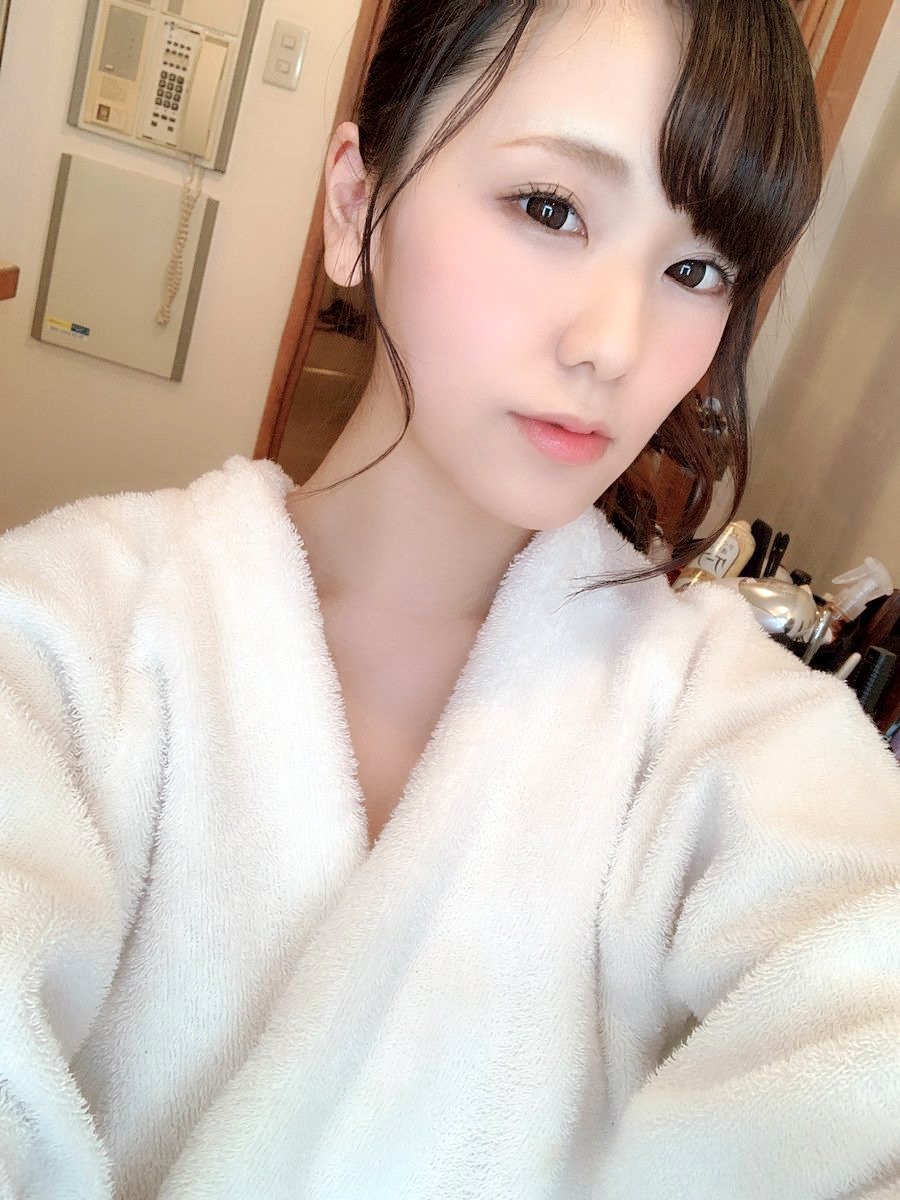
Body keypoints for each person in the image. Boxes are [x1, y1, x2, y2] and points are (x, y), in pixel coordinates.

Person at [1, 1, 898, 1196]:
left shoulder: (731, 727)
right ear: (354, 204)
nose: (615, 344)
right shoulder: (63, 634)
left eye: (696, 270)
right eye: (549, 208)